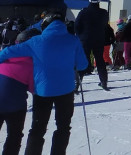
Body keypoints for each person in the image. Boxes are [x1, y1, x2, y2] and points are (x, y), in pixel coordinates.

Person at [0, 15, 88, 155]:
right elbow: (83, 65)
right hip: (66, 91)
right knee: (63, 127)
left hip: (43, 91)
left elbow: (6, 52)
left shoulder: (36, 41)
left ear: (45, 26)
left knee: (38, 129)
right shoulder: (73, 40)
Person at [0, 28, 36, 155]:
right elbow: (33, 89)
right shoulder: (31, 64)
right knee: (14, 136)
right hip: (15, 107)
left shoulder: (4, 55)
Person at [73, 0, 109, 90]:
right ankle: (104, 81)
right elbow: (105, 25)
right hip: (99, 39)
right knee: (99, 60)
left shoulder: (83, 12)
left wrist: (80, 35)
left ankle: (77, 83)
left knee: (82, 60)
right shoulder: (104, 13)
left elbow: (76, 25)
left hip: (85, 39)